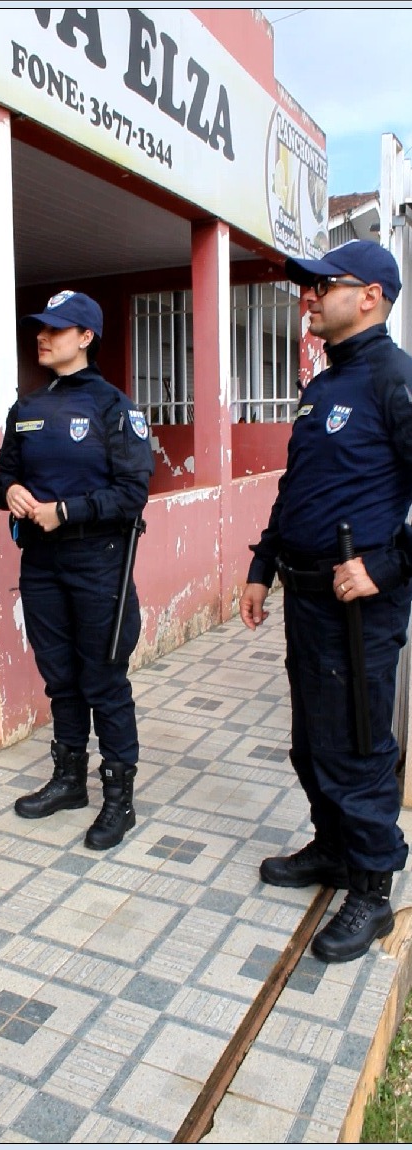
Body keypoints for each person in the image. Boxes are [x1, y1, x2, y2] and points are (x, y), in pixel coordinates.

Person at [240, 240, 412, 963]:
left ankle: (372, 890)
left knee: (357, 746)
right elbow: (297, 489)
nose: (307, 297)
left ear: (369, 296)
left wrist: (387, 566)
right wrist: (261, 565)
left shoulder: (392, 378)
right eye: (305, 287)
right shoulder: (323, 384)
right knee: (312, 742)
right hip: (306, 596)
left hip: (358, 608)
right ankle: (334, 850)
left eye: (323, 285)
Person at [0, 289, 154, 850]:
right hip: (41, 562)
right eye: (40, 328)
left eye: (56, 330)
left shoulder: (114, 408)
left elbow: (132, 493)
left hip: (98, 562)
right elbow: (3, 476)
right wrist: (10, 491)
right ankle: (69, 781)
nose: (42, 337)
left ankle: (118, 799)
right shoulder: (27, 408)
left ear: (86, 337)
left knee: (103, 680)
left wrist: (65, 511)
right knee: (59, 676)